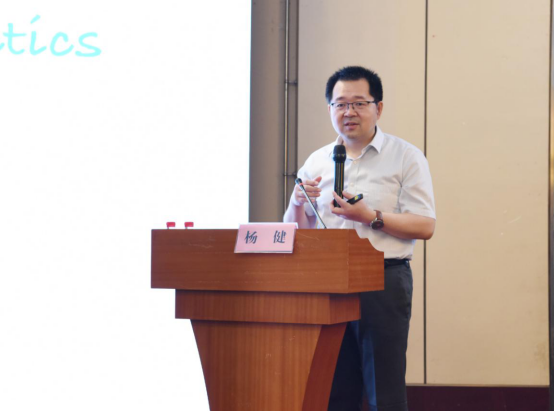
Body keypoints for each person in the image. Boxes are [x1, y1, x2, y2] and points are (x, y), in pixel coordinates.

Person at [284, 66, 436, 411]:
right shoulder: (317, 161)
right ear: (330, 109)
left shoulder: (405, 156)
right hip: (327, 282)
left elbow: (425, 225)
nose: (348, 112)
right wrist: (296, 202)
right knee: (333, 389)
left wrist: (370, 217)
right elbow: (295, 232)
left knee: (384, 391)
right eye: (340, 104)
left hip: (382, 279)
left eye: (358, 103)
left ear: (377, 108)